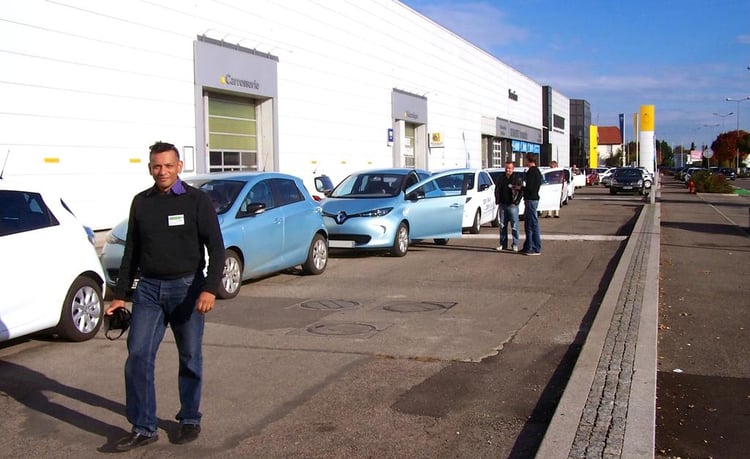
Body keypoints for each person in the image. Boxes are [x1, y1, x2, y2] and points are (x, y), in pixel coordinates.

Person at [106, 141, 225, 452]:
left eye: (168, 166)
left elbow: (216, 247)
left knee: (190, 358)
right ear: (149, 168)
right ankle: (144, 426)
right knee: (138, 357)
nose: (162, 171)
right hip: (148, 290)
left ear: (179, 167)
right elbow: (131, 250)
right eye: (157, 166)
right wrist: (120, 294)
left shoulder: (197, 201)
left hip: (187, 289)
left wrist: (209, 288)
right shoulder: (141, 203)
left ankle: (189, 418)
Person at [494, 160, 523, 252]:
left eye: (510, 168)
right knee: (502, 225)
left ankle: (515, 244)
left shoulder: (517, 178)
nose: (508, 170)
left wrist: (516, 202)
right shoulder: (500, 178)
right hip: (502, 204)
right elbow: (497, 189)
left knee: (514, 226)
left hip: (512, 205)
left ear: (513, 169)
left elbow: (521, 191)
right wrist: (497, 200)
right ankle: (503, 244)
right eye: (506, 168)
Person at [522, 153, 542, 255]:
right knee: (528, 224)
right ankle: (528, 246)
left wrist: (520, 188)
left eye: (525, 160)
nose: (524, 162)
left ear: (528, 160)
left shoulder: (532, 172)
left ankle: (536, 247)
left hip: (531, 199)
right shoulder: (536, 171)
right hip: (532, 199)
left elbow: (530, 188)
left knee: (532, 224)